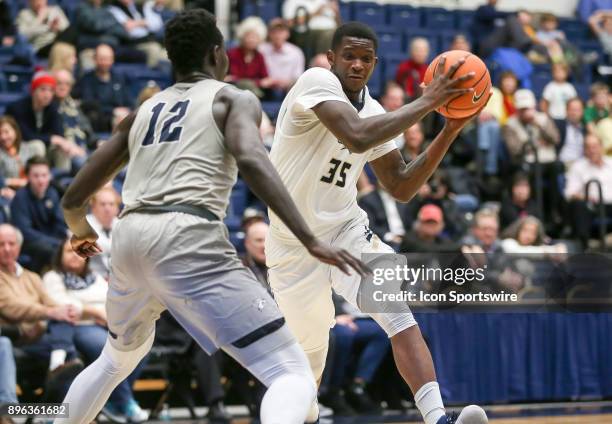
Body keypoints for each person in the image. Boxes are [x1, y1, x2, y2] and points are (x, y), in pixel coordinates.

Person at [53, 10, 367, 424]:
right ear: (218, 53)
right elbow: (253, 160)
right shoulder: (232, 97)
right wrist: (309, 238)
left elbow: (73, 199)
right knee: (291, 373)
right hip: (186, 231)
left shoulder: (145, 111)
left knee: (115, 359)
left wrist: (80, 233)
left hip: (129, 236)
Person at [266, 21, 489, 424]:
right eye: (348, 56)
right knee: (305, 369)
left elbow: (400, 185)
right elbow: (355, 136)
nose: (356, 64)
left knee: (397, 313)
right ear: (331, 59)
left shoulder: (375, 110)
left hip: (346, 229)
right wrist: (427, 103)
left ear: (375, 64)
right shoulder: (315, 81)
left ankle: (438, 419)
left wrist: (449, 130)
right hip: (294, 241)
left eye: (366, 58)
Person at [43, 239, 149, 423]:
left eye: (77, 252)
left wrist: (106, 315)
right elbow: (63, 306)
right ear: (59, 255)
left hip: (106, 324)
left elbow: (111, 300)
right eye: (68, 251)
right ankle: (124, 403)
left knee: (140, 346)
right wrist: (92, 311)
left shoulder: (95, 277)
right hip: (76, 327)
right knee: (104, 346)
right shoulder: (53, 277)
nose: (74, 255)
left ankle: (110, 399)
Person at [0, 224, 83, 401]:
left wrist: (66, 311)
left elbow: (52, 304)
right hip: (17, 337)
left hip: (39, 337)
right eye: (1, 244)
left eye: (11, 243)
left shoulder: (32, 277)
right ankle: (53, 412)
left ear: (19, 246)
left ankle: (56, 410)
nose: (7, 249)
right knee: (68, 352)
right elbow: (11, 307)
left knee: (71, 354)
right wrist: (51, 312)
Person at [10, 157, 67, 273]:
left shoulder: (52, 193)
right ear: (28, 177)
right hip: (29, 243)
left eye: (44, 175)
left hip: (51, 240)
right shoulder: (20, 198)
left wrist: (65, 240)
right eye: (36, 176)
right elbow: (25, 232)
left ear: (50, 176)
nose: (41, 180)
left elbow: (59, 222)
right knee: (47, 249)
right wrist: (55, 242)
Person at [6, 71, 73, 156]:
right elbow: (26, 135)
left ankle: (62, 170)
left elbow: (59, 133)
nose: (47, 94)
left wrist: (59, 141)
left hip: (45, 147)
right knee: (38, 145)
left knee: (62, 147)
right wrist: (51, 138)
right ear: (33, 91)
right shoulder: (18, 108)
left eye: (51, 90)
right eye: (43, 89)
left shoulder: (52, 107)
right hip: (20, 147)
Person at [564, 133, 612, 248]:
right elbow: (569, 193)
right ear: (584, 150)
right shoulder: (578, 166)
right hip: (592, 205)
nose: (592, 150)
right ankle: (585, 247)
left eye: (594, 146)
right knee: (579, 206)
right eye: (588, 147)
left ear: (601, 147)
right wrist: (585, 197)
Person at [73, 44, 133, 132]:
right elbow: (90, 104)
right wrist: (113, 111)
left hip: (121, 117)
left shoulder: (119, 78)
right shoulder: (87, 79)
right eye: (102, 59)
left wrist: (125, 111)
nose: (105, 63)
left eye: (108, 59)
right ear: (95, 59)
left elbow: (129, 101)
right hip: (101, 120)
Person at [52, 69, 89, 173]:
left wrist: (97, 142)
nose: (63, 87)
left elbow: (87, 130)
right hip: (65, 151)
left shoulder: (73, 106)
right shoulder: (49, 106)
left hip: (82, 148)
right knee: (90, 168)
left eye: (67, 84)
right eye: (59, 83)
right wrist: (71, 146)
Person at [226, 17, 272, 98]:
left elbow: (266, 79)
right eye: (248, 36)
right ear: (242, 37)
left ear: (260, 39)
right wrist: (257, 82)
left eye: (255, 37)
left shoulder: (260, 56)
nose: (251, 40)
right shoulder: (232, 53)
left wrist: (256, 83)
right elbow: (231, 78)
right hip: (234, 92)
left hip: (255, 91)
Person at [0, 116, 45, 194]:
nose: (3, 137)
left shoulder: (28, 148)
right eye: (0, 133)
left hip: (35, 188)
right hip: (11, 191)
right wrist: (14, 182)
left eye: (6, 132)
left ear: (15, 131)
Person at [259, 18, 305, 94]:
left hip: (289, 90)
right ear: (269, 34)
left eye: (281, 31)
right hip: (266, 89)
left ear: (287, 34)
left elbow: (298, 77)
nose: (277, 35)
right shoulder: (261, 50)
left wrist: (283, 82)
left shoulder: (296, 52)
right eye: (274, 32)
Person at [86, 187, 120, 279]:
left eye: (111, 204)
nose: (107, 208)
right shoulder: (83, 225)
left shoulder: (122, 225)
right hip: (94, 278)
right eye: (103, 204)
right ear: (93, 207)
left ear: (117, 208)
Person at [556, 97, 586, 166]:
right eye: (571, 110)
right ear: (566, 111)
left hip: (582, 164)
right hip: (564, 163)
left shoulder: (586, 128)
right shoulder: (559, 126)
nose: (574, 113)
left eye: (577, 110)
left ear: (582, 112)